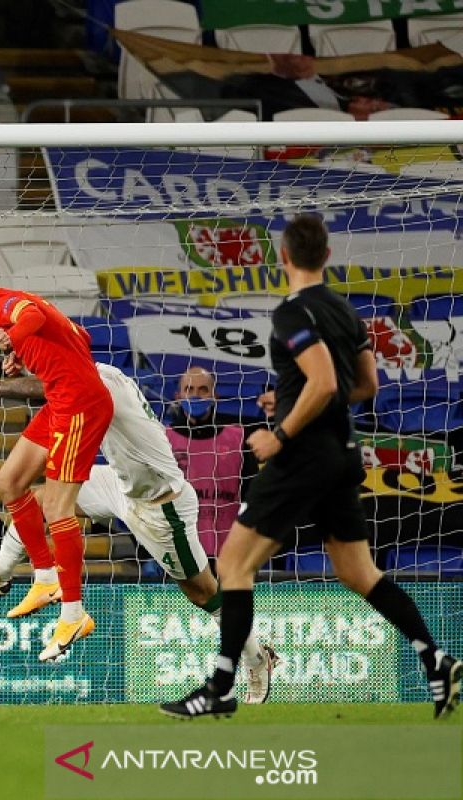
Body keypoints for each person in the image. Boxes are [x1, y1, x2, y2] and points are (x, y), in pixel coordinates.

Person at [161, 214, 461, 720]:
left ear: (283, 257)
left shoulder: (290, 313)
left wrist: (279, 434)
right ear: (326, 257)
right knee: (360, 573)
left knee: (233, 566)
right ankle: (435, 658)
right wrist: (294, 395)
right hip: (341, 455)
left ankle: (221, 688)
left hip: (301, 458)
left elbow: (322, 382)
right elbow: (365, 386)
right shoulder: (345, 311)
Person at [0, 364, 277, 702]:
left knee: (204, 593)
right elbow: (51, 384)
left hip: (161, 505)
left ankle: (257, 657)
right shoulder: (99, 371)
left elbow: (48, 385)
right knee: (40, 499)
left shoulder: (90, 381)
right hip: (120, 484)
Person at [0, 288, 114, 662]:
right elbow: (77, 337)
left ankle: (73, 614)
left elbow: (32, 319)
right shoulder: (16, 316)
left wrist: (15, 336)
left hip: (79, 406)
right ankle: (44, 575)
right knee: (9, 481)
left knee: (57, 508)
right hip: (59, 399)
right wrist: (25, 353)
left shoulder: (4, 304)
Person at [165, 366, 253, 558]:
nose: (196, 396)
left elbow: (252, 495)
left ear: (215, 396)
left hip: (229, 551)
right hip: (180, 552)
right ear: (178, 396)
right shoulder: (163, 440)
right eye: (189, 389)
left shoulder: (238, 438)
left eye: (203, 390)